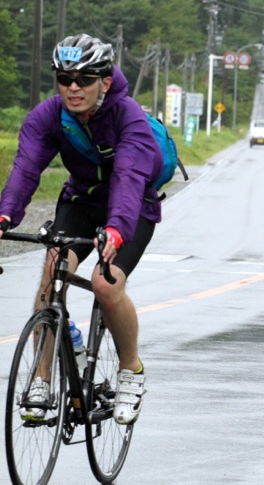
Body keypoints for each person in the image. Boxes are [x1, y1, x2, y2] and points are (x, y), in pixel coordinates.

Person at [0, 34, 160, 425]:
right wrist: (4, 217)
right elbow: (26, 169)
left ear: (105, 80)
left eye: (85, 78)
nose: (73, 87)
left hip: (132, 208)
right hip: (81, 202)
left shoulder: (129, 118)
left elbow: (127, 177)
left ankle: (131, 371)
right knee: (50, 279)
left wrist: (117, 229)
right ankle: (41, 382)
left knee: (106, 285)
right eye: (64, 77)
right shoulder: (49, 115)